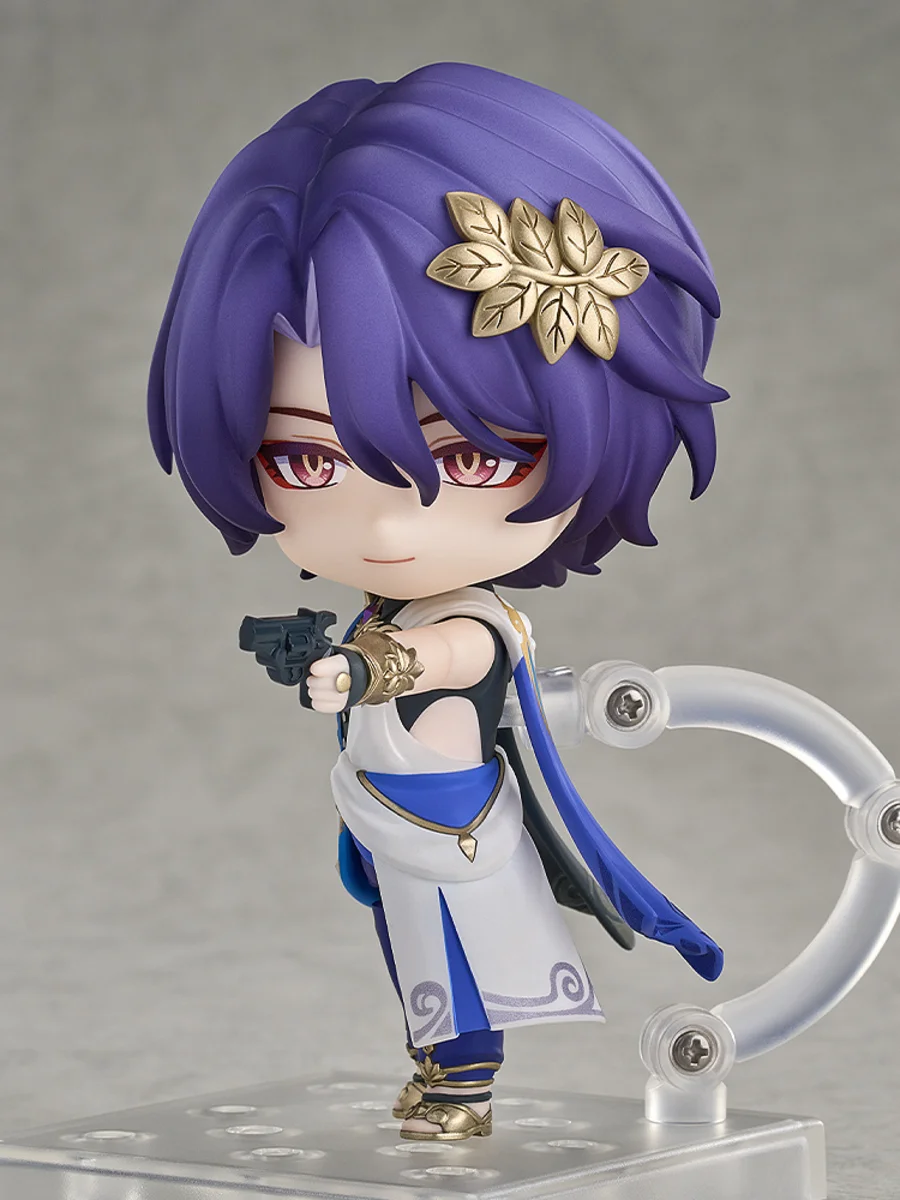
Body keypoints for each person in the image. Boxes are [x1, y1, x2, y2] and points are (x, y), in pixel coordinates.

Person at [148, 62, 728, 1142]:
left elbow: (450, 657)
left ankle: (463, 1083)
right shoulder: (381, 606)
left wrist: (361, 669)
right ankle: (437, 1071)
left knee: (460, 963)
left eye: (469, 456)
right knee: (414, 960)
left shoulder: (471, 622)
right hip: (392, 823)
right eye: (308, 461)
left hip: (457, 831)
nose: (386, 527)